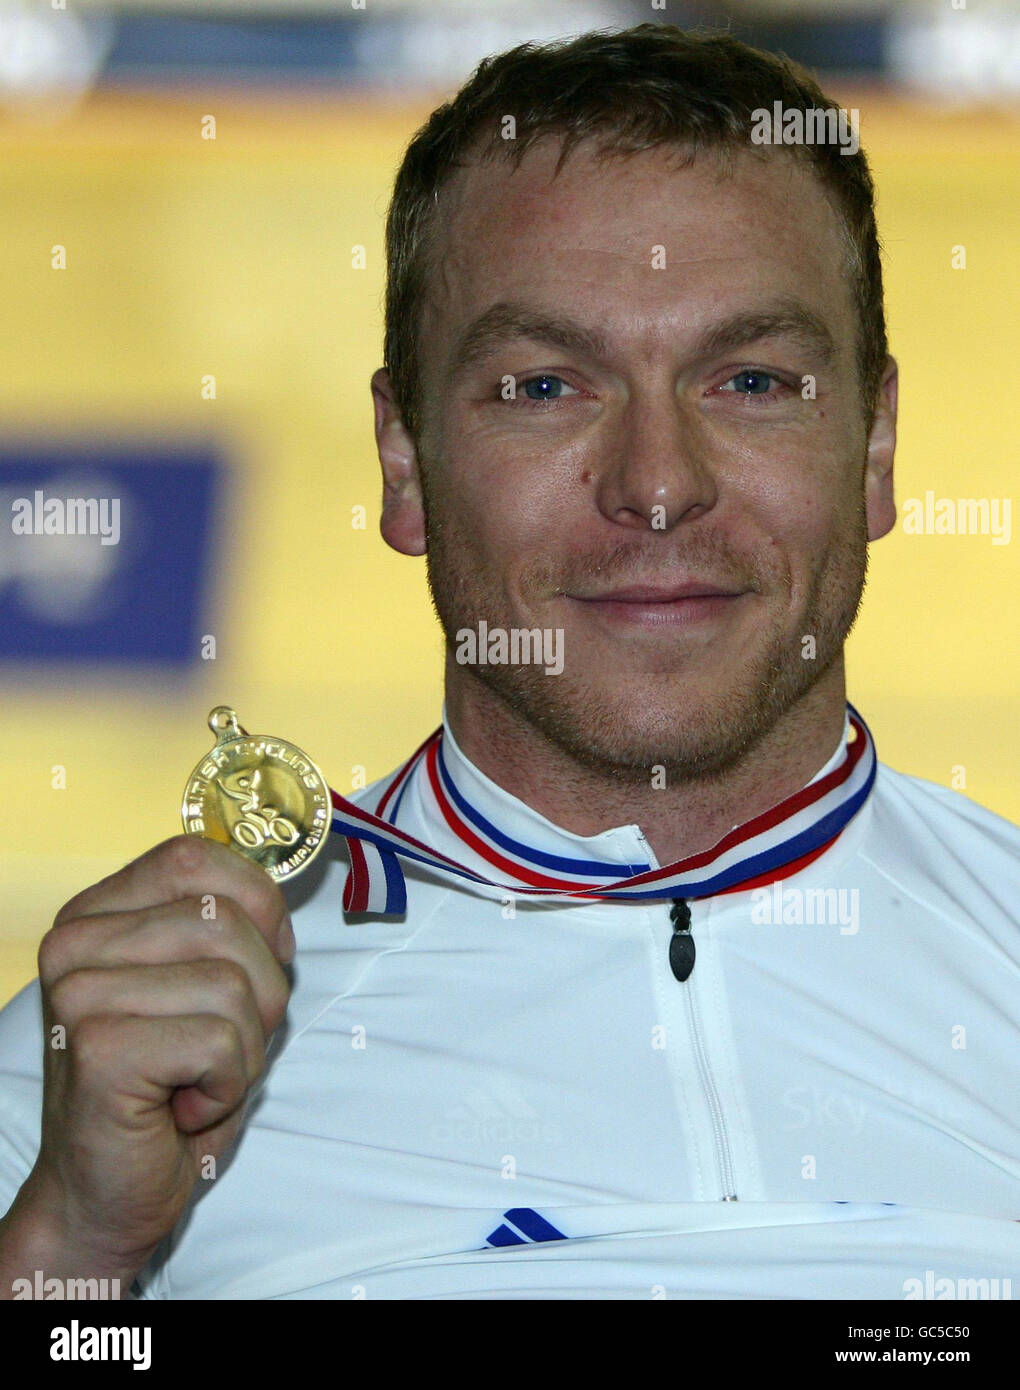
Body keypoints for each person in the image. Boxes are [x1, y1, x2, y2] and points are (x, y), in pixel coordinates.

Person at [1, 24, 1017, 1302]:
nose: (658, 486)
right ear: (405, 461)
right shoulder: (101, 1083)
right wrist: (75, 1260)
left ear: (875, 448)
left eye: (752, 379)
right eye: (545, 388)